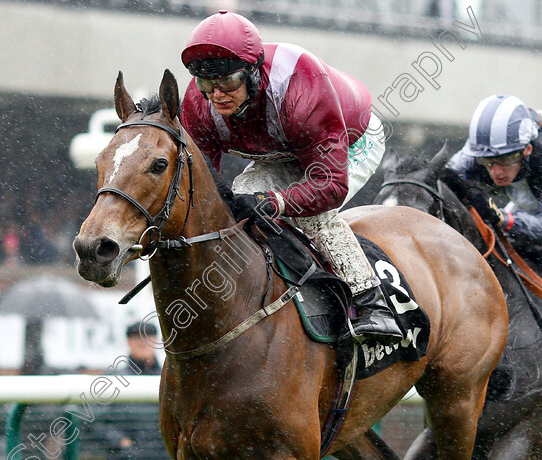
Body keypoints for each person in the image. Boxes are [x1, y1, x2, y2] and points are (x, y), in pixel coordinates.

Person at [179, 10, 401, 344]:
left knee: (311, 214)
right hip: (283, 148)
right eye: (207, 82)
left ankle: (373, 304)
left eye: (227, 81)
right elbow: (200, 186)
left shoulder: (300, 87)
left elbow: (331, 185)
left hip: (350, 140)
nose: (217, 93)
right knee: (242, 192)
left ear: (254, 72)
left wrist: (277, 202)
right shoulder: (199, 102)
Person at [440, 95, 542, 295]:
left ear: (527, 149)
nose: (496, 172)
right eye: (488, 161)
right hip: (533, 201)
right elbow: (446, 175)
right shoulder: (490, 143)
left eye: (505, 159)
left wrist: (503, 218)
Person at [85, 322, 164, 460]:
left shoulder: (170, 378)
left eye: (148, 337)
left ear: (157, 341)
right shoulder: (113, 379)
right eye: (137, 338)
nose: (143, 343)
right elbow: (92, 419)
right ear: (128, 342)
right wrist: (120, 441)